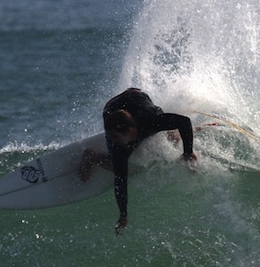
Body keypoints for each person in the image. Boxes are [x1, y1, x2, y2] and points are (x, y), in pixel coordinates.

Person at [78, 88, 197, 235]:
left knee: (172, 137)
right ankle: (92, 157)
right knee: (117, 165)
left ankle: (173, 132)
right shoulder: (119, 146)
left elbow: (184, 121)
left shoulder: (153, 121)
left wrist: (188, 152)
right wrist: (123, 214)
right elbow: (120, 180)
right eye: (112, 137)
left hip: (137, 96)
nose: (114, 142)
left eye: (115, 137)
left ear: (129, 131)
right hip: (112, 110)